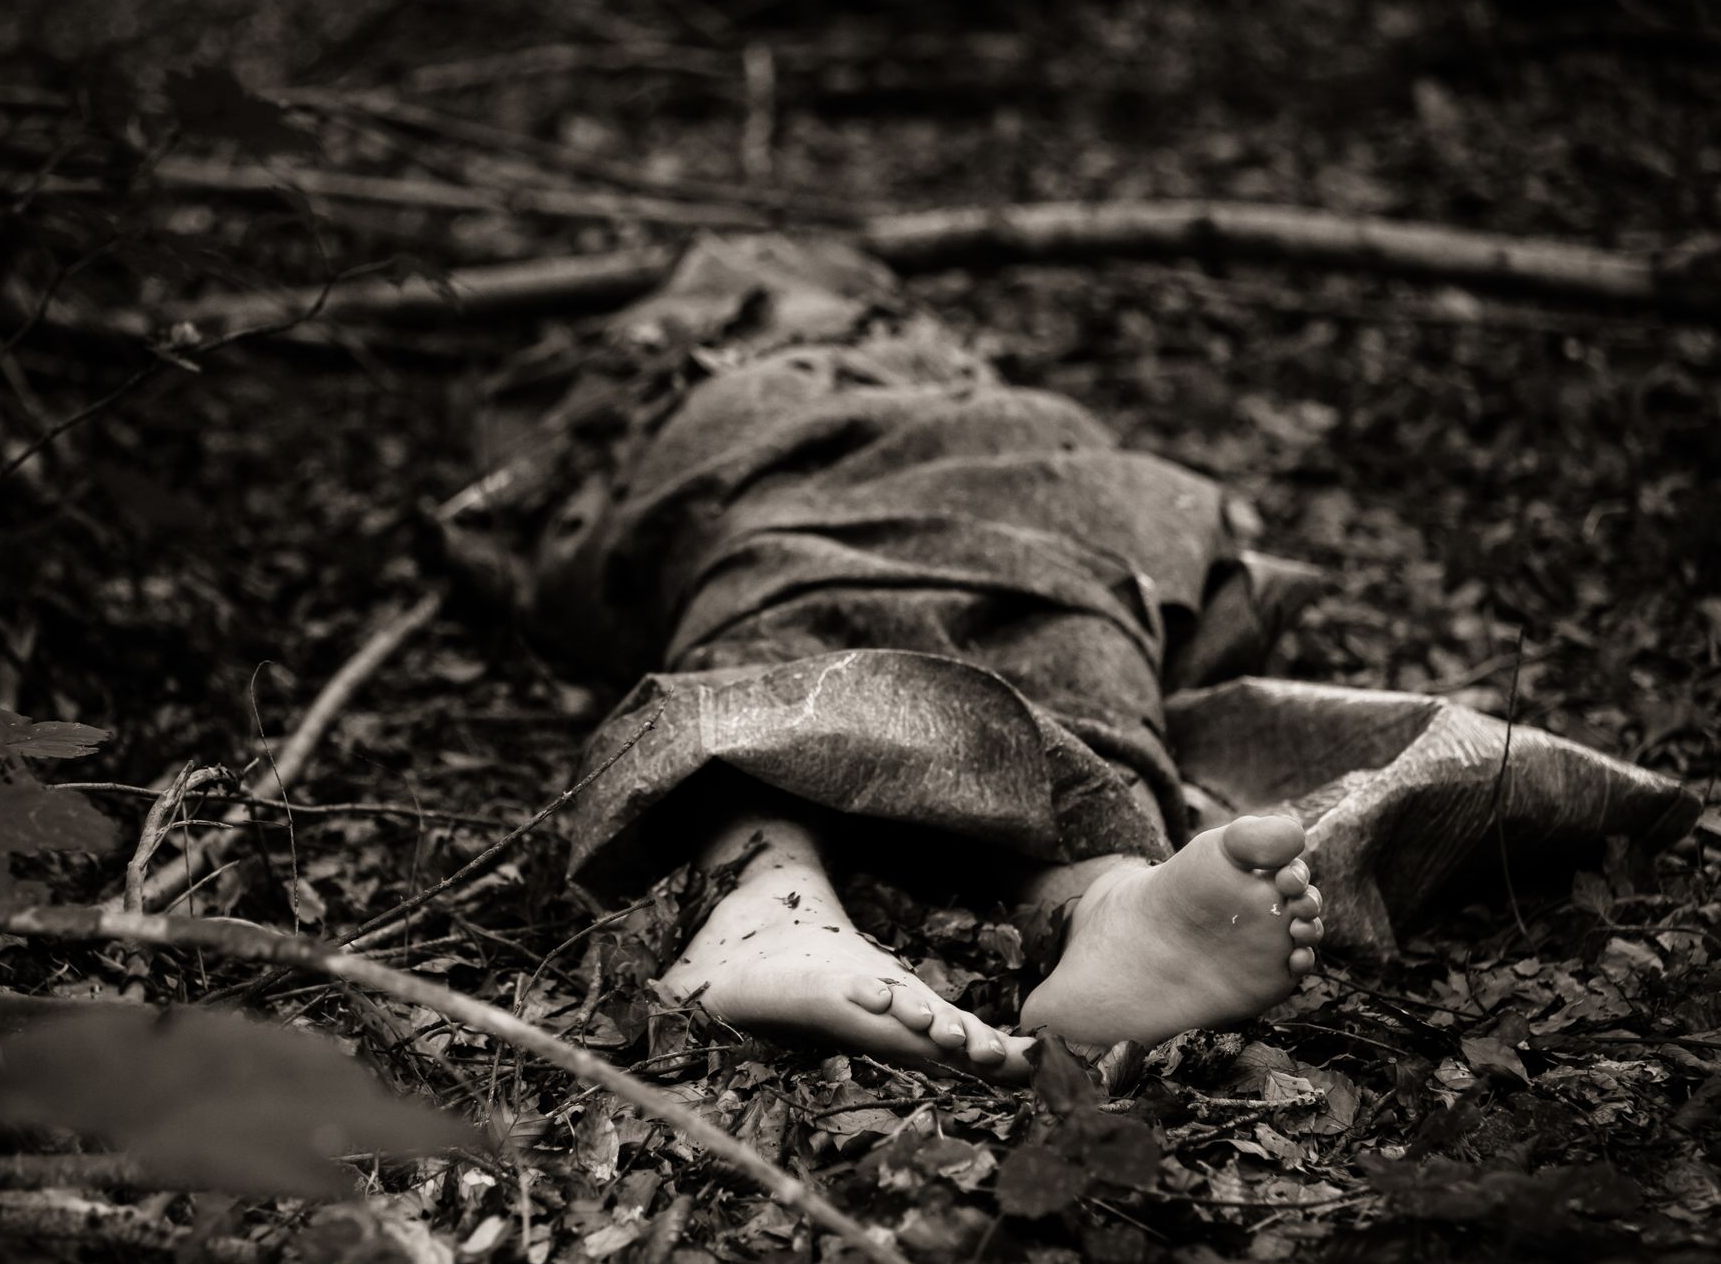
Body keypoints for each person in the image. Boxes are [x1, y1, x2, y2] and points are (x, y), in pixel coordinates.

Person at [447, 235, 1697, 1083]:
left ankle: (1101, 904)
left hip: (1013, 458)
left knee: (1063, 584)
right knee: (806, 569)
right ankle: (762, 902)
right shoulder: (647, 357)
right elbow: (527, 499)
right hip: (765, 448)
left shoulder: (931, 353)